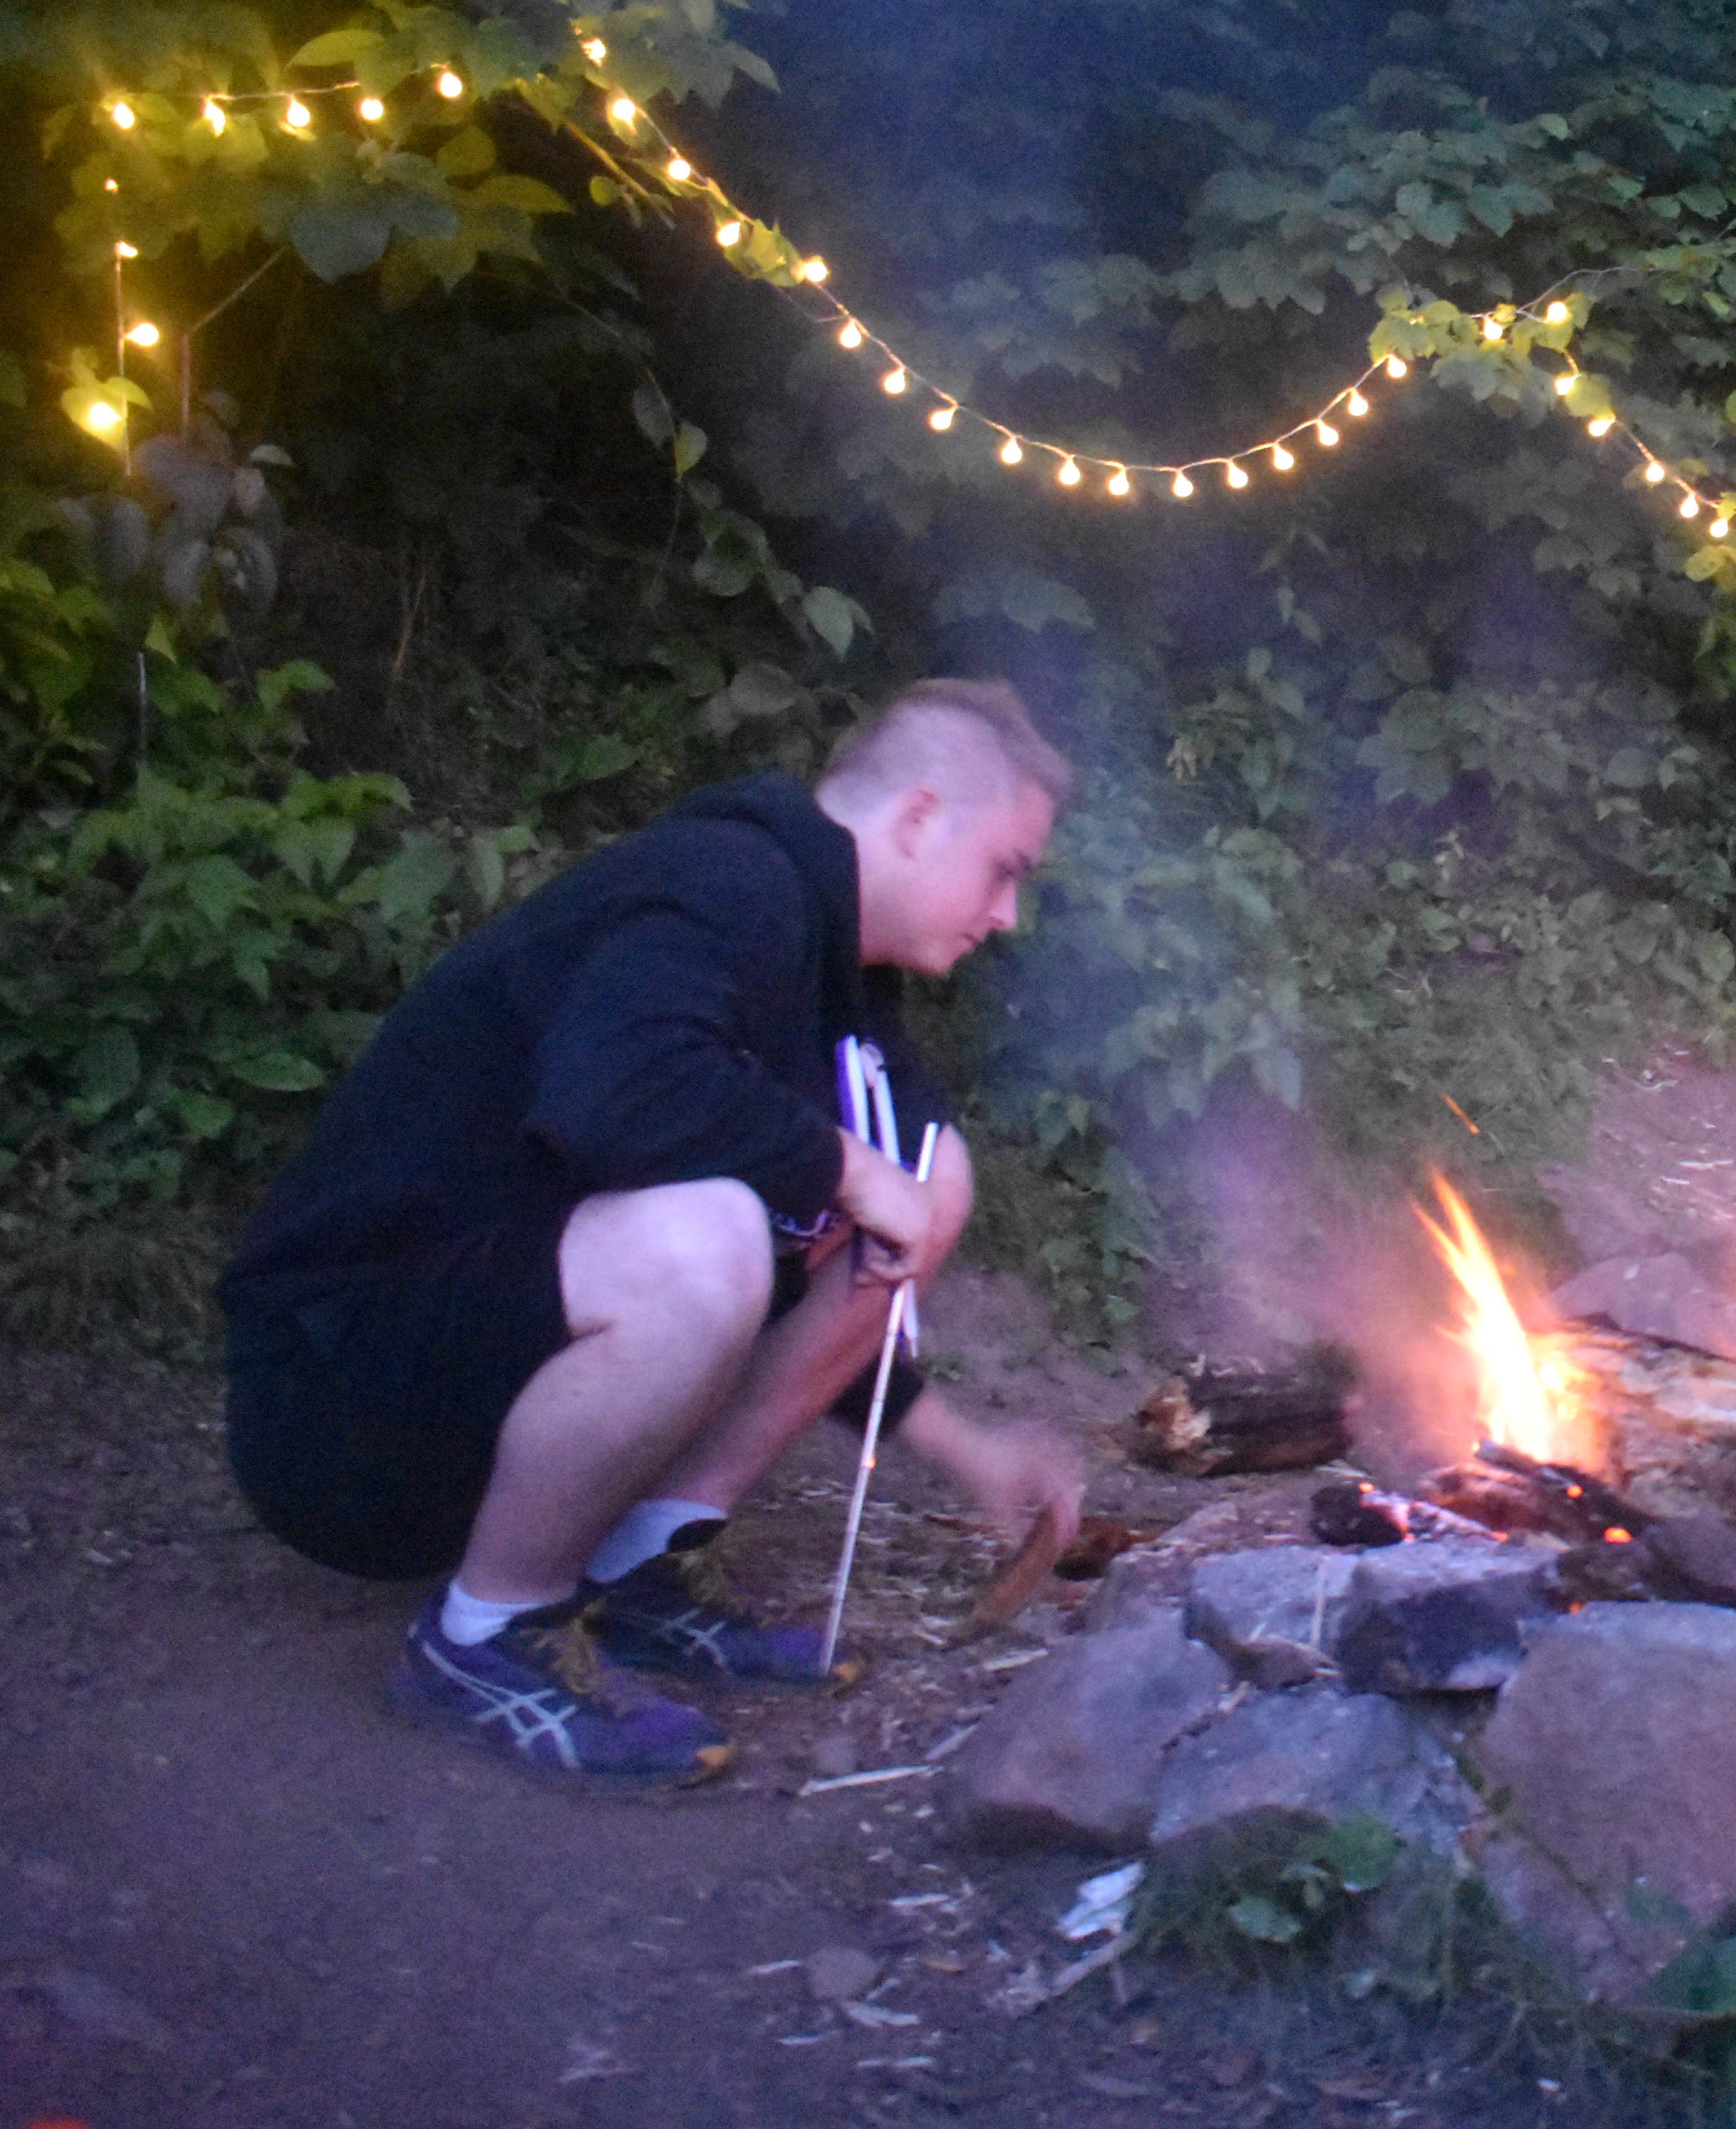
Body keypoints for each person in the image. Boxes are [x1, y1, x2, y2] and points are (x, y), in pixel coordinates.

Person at [221, 678, 1089, 1785]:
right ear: (920, 817)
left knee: (931, 1172)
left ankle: (638, 1567)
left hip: (488, 1352)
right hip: (338, 1393)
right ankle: (486, 1635)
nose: (1008, 914)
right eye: (1005, 869)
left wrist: (964, 1447)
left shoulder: (842, 976)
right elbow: (610, 1093)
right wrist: (845, 1166)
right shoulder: (726, 882)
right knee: (715, 1236)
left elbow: (896, 1210)